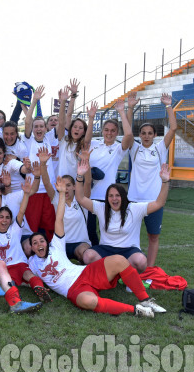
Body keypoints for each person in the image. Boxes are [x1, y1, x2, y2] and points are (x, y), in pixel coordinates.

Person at [27, 176, 165, 317]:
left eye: (41, 241)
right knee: (87, 301)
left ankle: (146, 300)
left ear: (47, 242)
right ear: (31, 248)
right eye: (35, 243)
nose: (39, 244)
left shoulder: (56, 247)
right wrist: (37, 285)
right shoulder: (32, 263)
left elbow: (59, 219)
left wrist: (62, 193)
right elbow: (27, 276)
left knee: (119, 260)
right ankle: (137, 310)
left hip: (84, 273)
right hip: (72, 289)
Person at [75, 158, 172, 274]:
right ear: (107, 198)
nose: (114, 199)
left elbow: (159, 203)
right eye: (110, 196)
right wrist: (80, 176)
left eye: (117, 195)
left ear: (123, 197)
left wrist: (165, 181)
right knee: (88, 256)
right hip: (107, 249)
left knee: (140, 261)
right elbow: (80, 198)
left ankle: (126, 274)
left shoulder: (134, 208)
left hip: (128, 251)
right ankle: (108, 274)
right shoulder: (101, 208)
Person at [126, 93, 177, 268]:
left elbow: (173, 129)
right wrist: (130, 107)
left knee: (153, 236)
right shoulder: (135, 148)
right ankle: (128, 267)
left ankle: (149, 270)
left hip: (155, 201)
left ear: (155, 135)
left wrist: (168, 106)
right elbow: (126, 131)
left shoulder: (160, 148)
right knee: (130, 236)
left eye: (150, 133)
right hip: (134, 201)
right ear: (139, 135)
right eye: (143, 133)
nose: (146, 136)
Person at [0, 175, 52, 303]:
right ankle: (16, 292)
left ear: (11, 220)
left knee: (29, 275)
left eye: (7, 218)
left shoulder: (15, 229)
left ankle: (40, 289)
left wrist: (26, 194)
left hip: (20, 263)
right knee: (9, 282)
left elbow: (21, 211)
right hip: (4, 268)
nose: (4, 220)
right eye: (1, 217)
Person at [86, 95, 134, 245]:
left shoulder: (118, 149)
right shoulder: (94, 144)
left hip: (107, 197)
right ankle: (94, 259)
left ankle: (108, 257)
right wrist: (91, 118)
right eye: (106, 130)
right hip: (89, 196)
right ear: (102, 131)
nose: (109, 133)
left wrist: (122, 112)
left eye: (113, 131)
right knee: (89, 231)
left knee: (108, 230)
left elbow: (129, 135)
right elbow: (85, 141)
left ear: (116, 132)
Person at [23, 85, 57, 240]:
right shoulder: (29, 140)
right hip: (34, 190)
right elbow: (28, 120)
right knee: (32, 225)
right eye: (36, 126)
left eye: (41, 126)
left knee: (49, 225)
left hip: (49, 190)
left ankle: (49, 253)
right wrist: (35, 100)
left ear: (45, 128)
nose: (38, 128)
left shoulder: (49, 138)